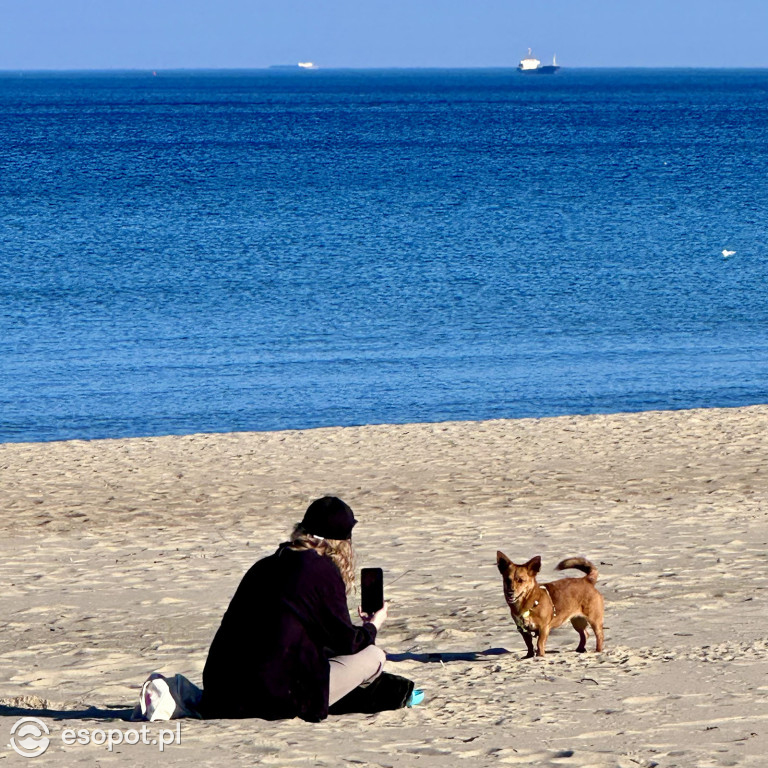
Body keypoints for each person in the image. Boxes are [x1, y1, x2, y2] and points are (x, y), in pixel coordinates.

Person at [201, 496, 420, 721]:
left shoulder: (266, 564)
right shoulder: (321, 570)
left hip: (220, 694)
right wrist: (372, 626)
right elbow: (347, 643)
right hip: (273, 699)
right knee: (374, 656)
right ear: (343, 543)